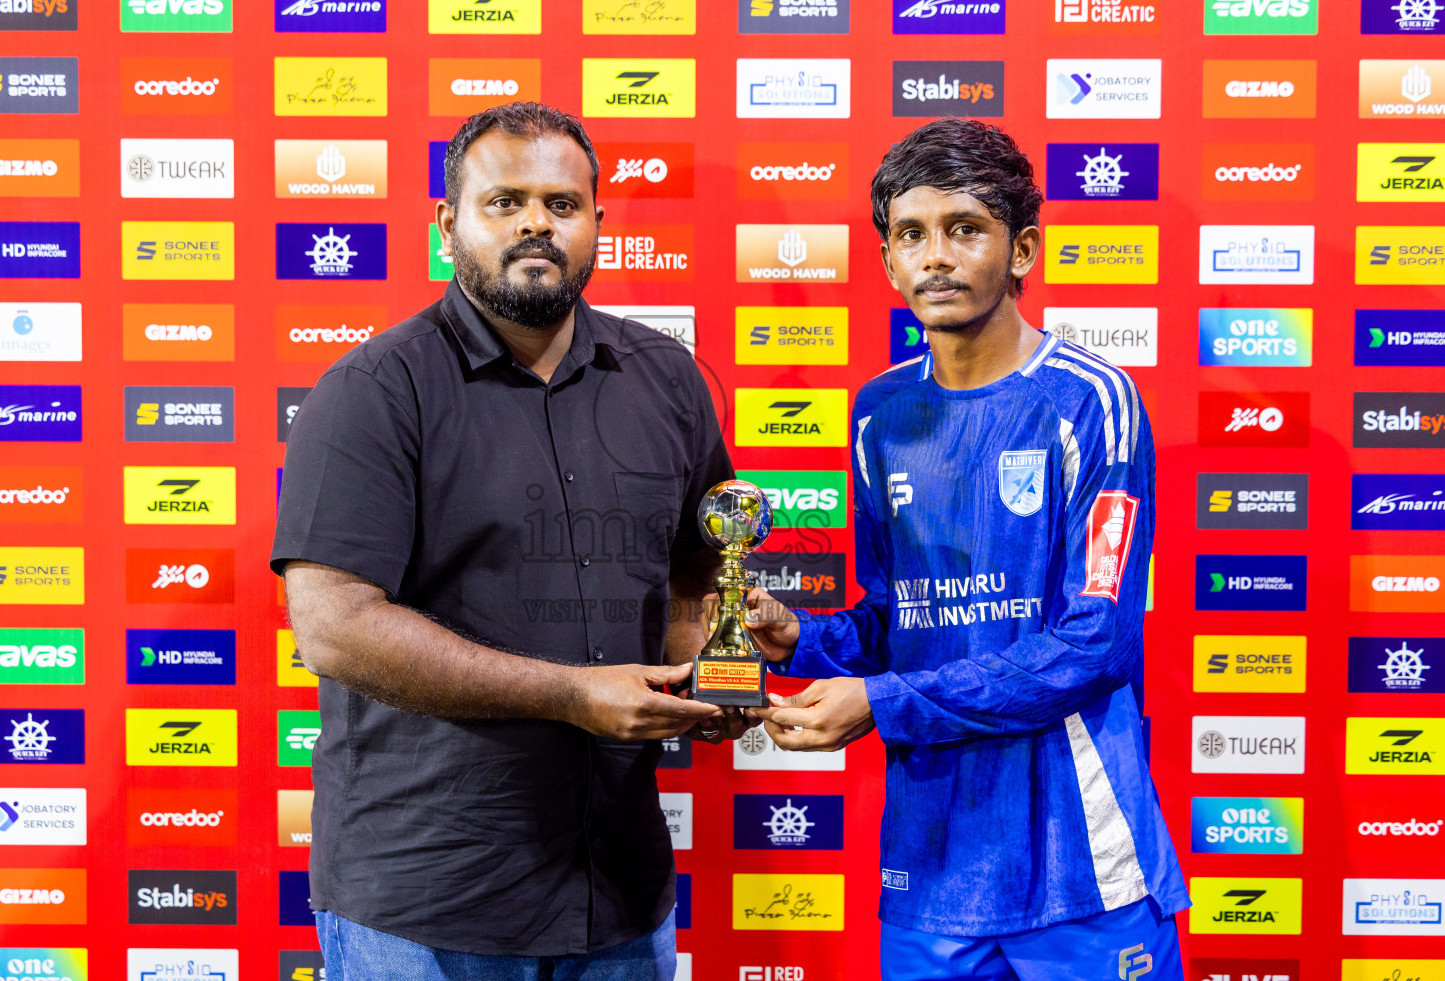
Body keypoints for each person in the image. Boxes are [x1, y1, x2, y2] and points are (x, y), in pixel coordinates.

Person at [272, 102, 742, 981]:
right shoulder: (374, 390)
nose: (536, 222)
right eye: (505, 202)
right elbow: (332, 624)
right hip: (426, 904)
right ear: (448, 225)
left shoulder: (668, 380)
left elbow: (695, 562)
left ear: (599, 223)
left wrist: (709, 671)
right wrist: (569, 694)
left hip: (619, 893)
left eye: (563, 205)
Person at [745, 118, 1190, 981]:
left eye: (965, 229)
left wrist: (883, 702)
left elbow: (1094, 642)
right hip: (931, 869)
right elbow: (894, 620)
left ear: (1022, 249)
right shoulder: (878, 414)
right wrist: (801, 641)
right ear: (886, 261)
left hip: (1078, 864)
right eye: (911, 234)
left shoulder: (1093, 400)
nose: (936, 257)